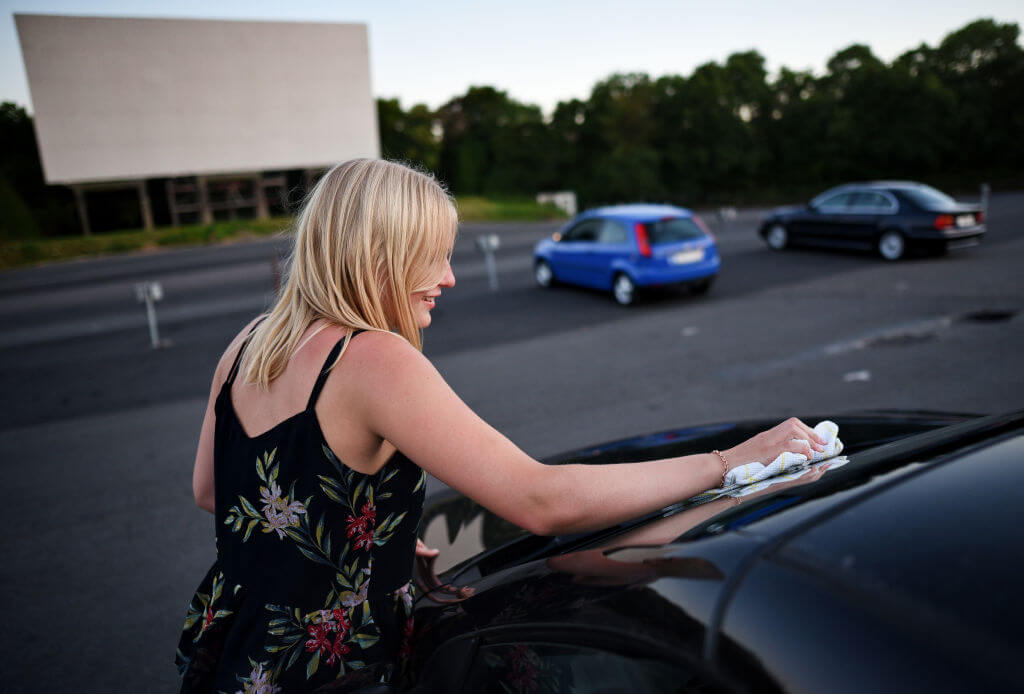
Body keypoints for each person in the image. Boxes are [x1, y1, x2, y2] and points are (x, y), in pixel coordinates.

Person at [175, 159, 826, 692]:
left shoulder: (248, 344)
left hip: (235, 652)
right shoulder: (370, 359)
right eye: (432, 256)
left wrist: (360, 541)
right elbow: (540, 500)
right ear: (379, 255)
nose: (450, 277)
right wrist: (730, 461)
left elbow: (215, 491)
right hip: (329, 672)